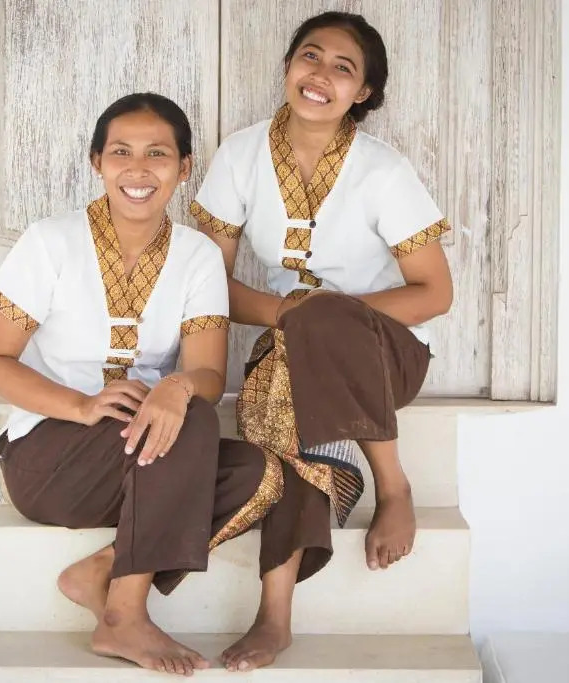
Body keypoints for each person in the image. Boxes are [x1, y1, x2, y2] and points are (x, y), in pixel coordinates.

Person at [0, 92, 281, 677]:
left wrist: (176, 387)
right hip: (50, 459)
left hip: (143, 452)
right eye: (121, 153)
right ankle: (125, 615)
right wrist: (82, 405)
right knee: (194, 422)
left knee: (257, 473)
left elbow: (208, 374)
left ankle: (102, 570)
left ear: (184, 168)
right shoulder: (50, 241)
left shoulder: (196, 256)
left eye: (158, 154)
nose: (139, 170)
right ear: (98, 163)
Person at [190, 12, 454, 672]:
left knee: (322, 322)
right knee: (284, 415)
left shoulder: (383, 171)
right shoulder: (240, 155)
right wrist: (290, 313)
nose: (321, 75)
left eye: (344, 68)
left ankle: (392, 485)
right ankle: (274, 616)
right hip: (289, 346)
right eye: (311, 57)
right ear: (288, 66)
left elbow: (434, 292)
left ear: (362, 92)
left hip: (388, 355)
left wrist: (326, 315)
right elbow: (206, 282)